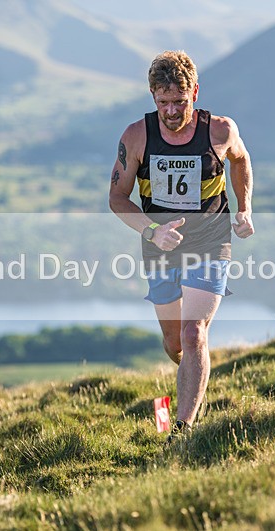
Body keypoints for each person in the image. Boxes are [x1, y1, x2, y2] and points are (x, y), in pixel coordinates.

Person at [109, 50, 254, 441]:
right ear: (153, 97)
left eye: (180, 101)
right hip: (160, 246)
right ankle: (194, 375)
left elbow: (240, 161)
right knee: (176, 343)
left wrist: (244, 208)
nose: (172, 112)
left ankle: (182, 430)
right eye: (163, 103)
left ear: (195, 92)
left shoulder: (219, 130)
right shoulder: (137, 137)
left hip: (210, 240)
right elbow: (118, 198)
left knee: (194, 334)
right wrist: (152, 231)